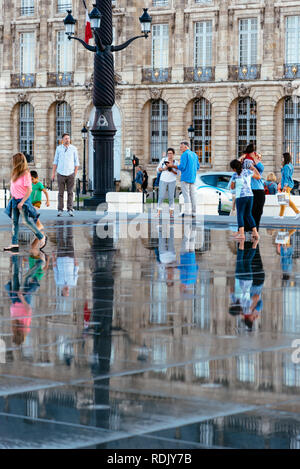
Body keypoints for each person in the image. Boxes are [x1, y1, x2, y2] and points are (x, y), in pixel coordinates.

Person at [4, 153, 47, 252]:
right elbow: (14, 187)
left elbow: (29, 190)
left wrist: (22, 202)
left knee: (26, 221)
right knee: (14, 222)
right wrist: (11, 198)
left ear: (18, 161)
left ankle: (41, 237)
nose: (12, 162)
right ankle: (14, 244)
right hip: (14, 200)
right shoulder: (15, 172)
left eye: (14, 160)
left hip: (23, 200)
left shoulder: (26, 173)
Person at [5, 254, 45, 345]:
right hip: (23, 299)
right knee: (25, 278)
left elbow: (13, 315)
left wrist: (13, 301)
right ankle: (39, 263)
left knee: (15, 275)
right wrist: (22, 298)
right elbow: (28, 310)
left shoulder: (14, 327)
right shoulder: (25, 328)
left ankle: (15, 258)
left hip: (15, 299)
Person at [230, 159, 261, 241]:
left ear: (234, 169)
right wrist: (253, 168)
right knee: (248, 214)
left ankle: (241, 234)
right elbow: (258, 177)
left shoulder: (235, 174)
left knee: (240, 214)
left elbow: (232, 187)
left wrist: (236, 183)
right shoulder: (248, 172)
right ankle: (255, 232)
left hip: (240, 196)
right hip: (250, 196)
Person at [167, 141, 199, 217]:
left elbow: (182, 167)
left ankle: (187, 211)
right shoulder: (194, 154)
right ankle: (194, 212)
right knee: (193, 195)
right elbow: (197, 167)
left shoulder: (184, 154)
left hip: (185, 177)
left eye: (181, 147)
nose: (180, 149)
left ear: (186, 146)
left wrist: (172, 166)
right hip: (193, 178)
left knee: (186, 195)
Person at [52, 133, 79, 217]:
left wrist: (74, 174)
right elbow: (55, 161)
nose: (67, 140)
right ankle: (60, 210)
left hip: (70, 173)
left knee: (70, 192)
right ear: (62, 140)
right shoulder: (59, 149)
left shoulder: (74, 149)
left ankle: (70, 209)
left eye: (68, 138)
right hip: (60, 173)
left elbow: (76, 162)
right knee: (61, 193)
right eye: (66, 138)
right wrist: (53, 173)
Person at [240, 144, 265, 232]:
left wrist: (253, 157)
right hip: (253, 191)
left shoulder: (257, 166)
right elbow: (236, 164)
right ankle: (248, 230)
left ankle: (254, 230)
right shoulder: (247, 164)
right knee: (250, 212)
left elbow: (261, 167)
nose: (259, 157)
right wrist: (245, 156)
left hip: (257, 190)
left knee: (257, 212)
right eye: (257, 156)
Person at [276, 152, 300, 219]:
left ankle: (297, 212)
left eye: (283, 157)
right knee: (283, 199)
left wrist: (285, 186)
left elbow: (286, 176)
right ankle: (281, 215)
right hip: (289, 184)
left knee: (287, 200)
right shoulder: (290, 165)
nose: (282, 159)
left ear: (285, 158)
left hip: (287, 185)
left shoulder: (286, 166)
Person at [156, 148, 179, 218]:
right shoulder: (163, 160)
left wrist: (171, 170)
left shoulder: (176, 162)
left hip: (172, 180)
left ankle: (171, 213)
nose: (169, 155)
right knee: (161, 196)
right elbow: (158, 169)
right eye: (168, 153)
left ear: (173, 154)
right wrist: (164, 169)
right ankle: (158, 212)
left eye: (171, 153)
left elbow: (178, 173)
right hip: (163, 180)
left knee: (171, 197)